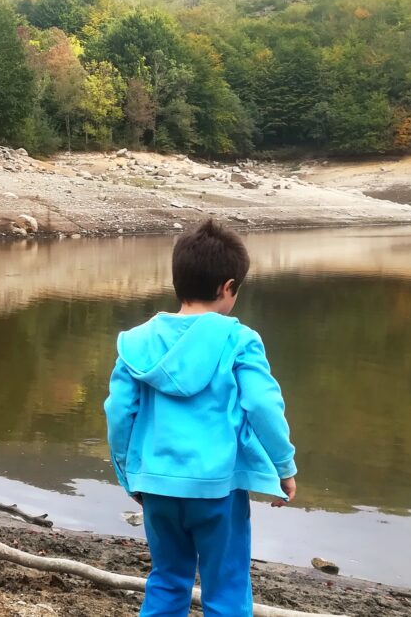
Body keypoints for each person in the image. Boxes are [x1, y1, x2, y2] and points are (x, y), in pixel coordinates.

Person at [104, 219, 297, 616]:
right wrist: (283, 466)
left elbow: (118, 413)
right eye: (235, 291)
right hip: (217, 489)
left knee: (167, 579)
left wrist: (129, 474)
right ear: (227, 287)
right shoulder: (239, 338)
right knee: (226, 586)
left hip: (156, 485)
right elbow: (262, 405)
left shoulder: (135, 343)